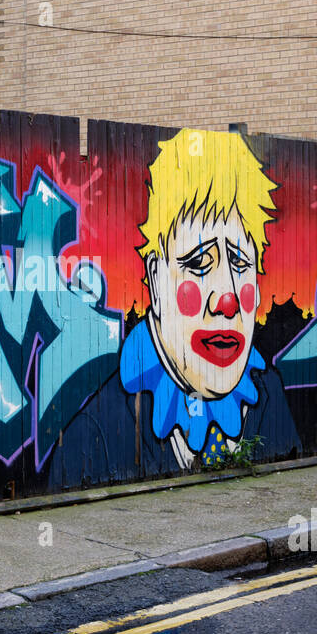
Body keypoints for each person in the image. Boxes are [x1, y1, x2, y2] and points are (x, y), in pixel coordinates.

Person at [47, 129, 300, 488]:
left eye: (241, 264)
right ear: (155, 280)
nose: (226, 300)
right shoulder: (93, 437)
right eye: (199, 264)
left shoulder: (270, 397)